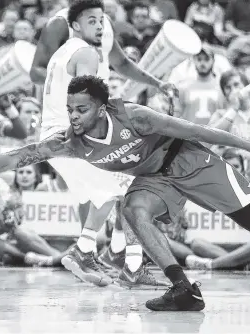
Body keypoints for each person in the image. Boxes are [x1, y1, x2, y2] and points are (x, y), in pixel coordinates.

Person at [0, 75, 250, 311]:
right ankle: (182, 289)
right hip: (154, 179)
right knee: (132, 209)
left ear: (102, 108)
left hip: (189, 160)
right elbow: (14, 158)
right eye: (70, 108)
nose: (73, 116)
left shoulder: (136, 117)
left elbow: (195, 129)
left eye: (81, 109)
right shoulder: (71, 143)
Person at [29, 0, 176, 287]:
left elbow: (120, 65)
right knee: (132, 185)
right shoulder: (83, 50)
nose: (99, 25)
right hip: (73, 134)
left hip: (57, 134)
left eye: (100, 20)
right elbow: (89, 101)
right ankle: (104, 255)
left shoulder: (67, 50)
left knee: (115, 191)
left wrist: (156, 84)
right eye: (92, 21)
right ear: (76, 24)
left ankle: (113, 255)